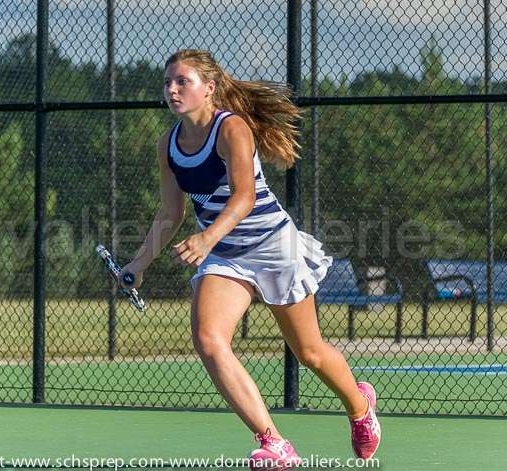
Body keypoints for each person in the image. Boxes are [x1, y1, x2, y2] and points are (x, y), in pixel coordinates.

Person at [119, 49, 381, 469]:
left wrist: (206, 238)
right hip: (226, 256)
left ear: (209, 88)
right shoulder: (167, 145)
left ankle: (359, 405)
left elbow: (246, 196)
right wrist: (139, 264)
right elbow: (170, 214)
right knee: (209, 339)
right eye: (168, 82)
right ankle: (273, 441)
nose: (171, 89)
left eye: (182, 81)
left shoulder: (232, 129)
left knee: (309, 352)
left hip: (273, 246)